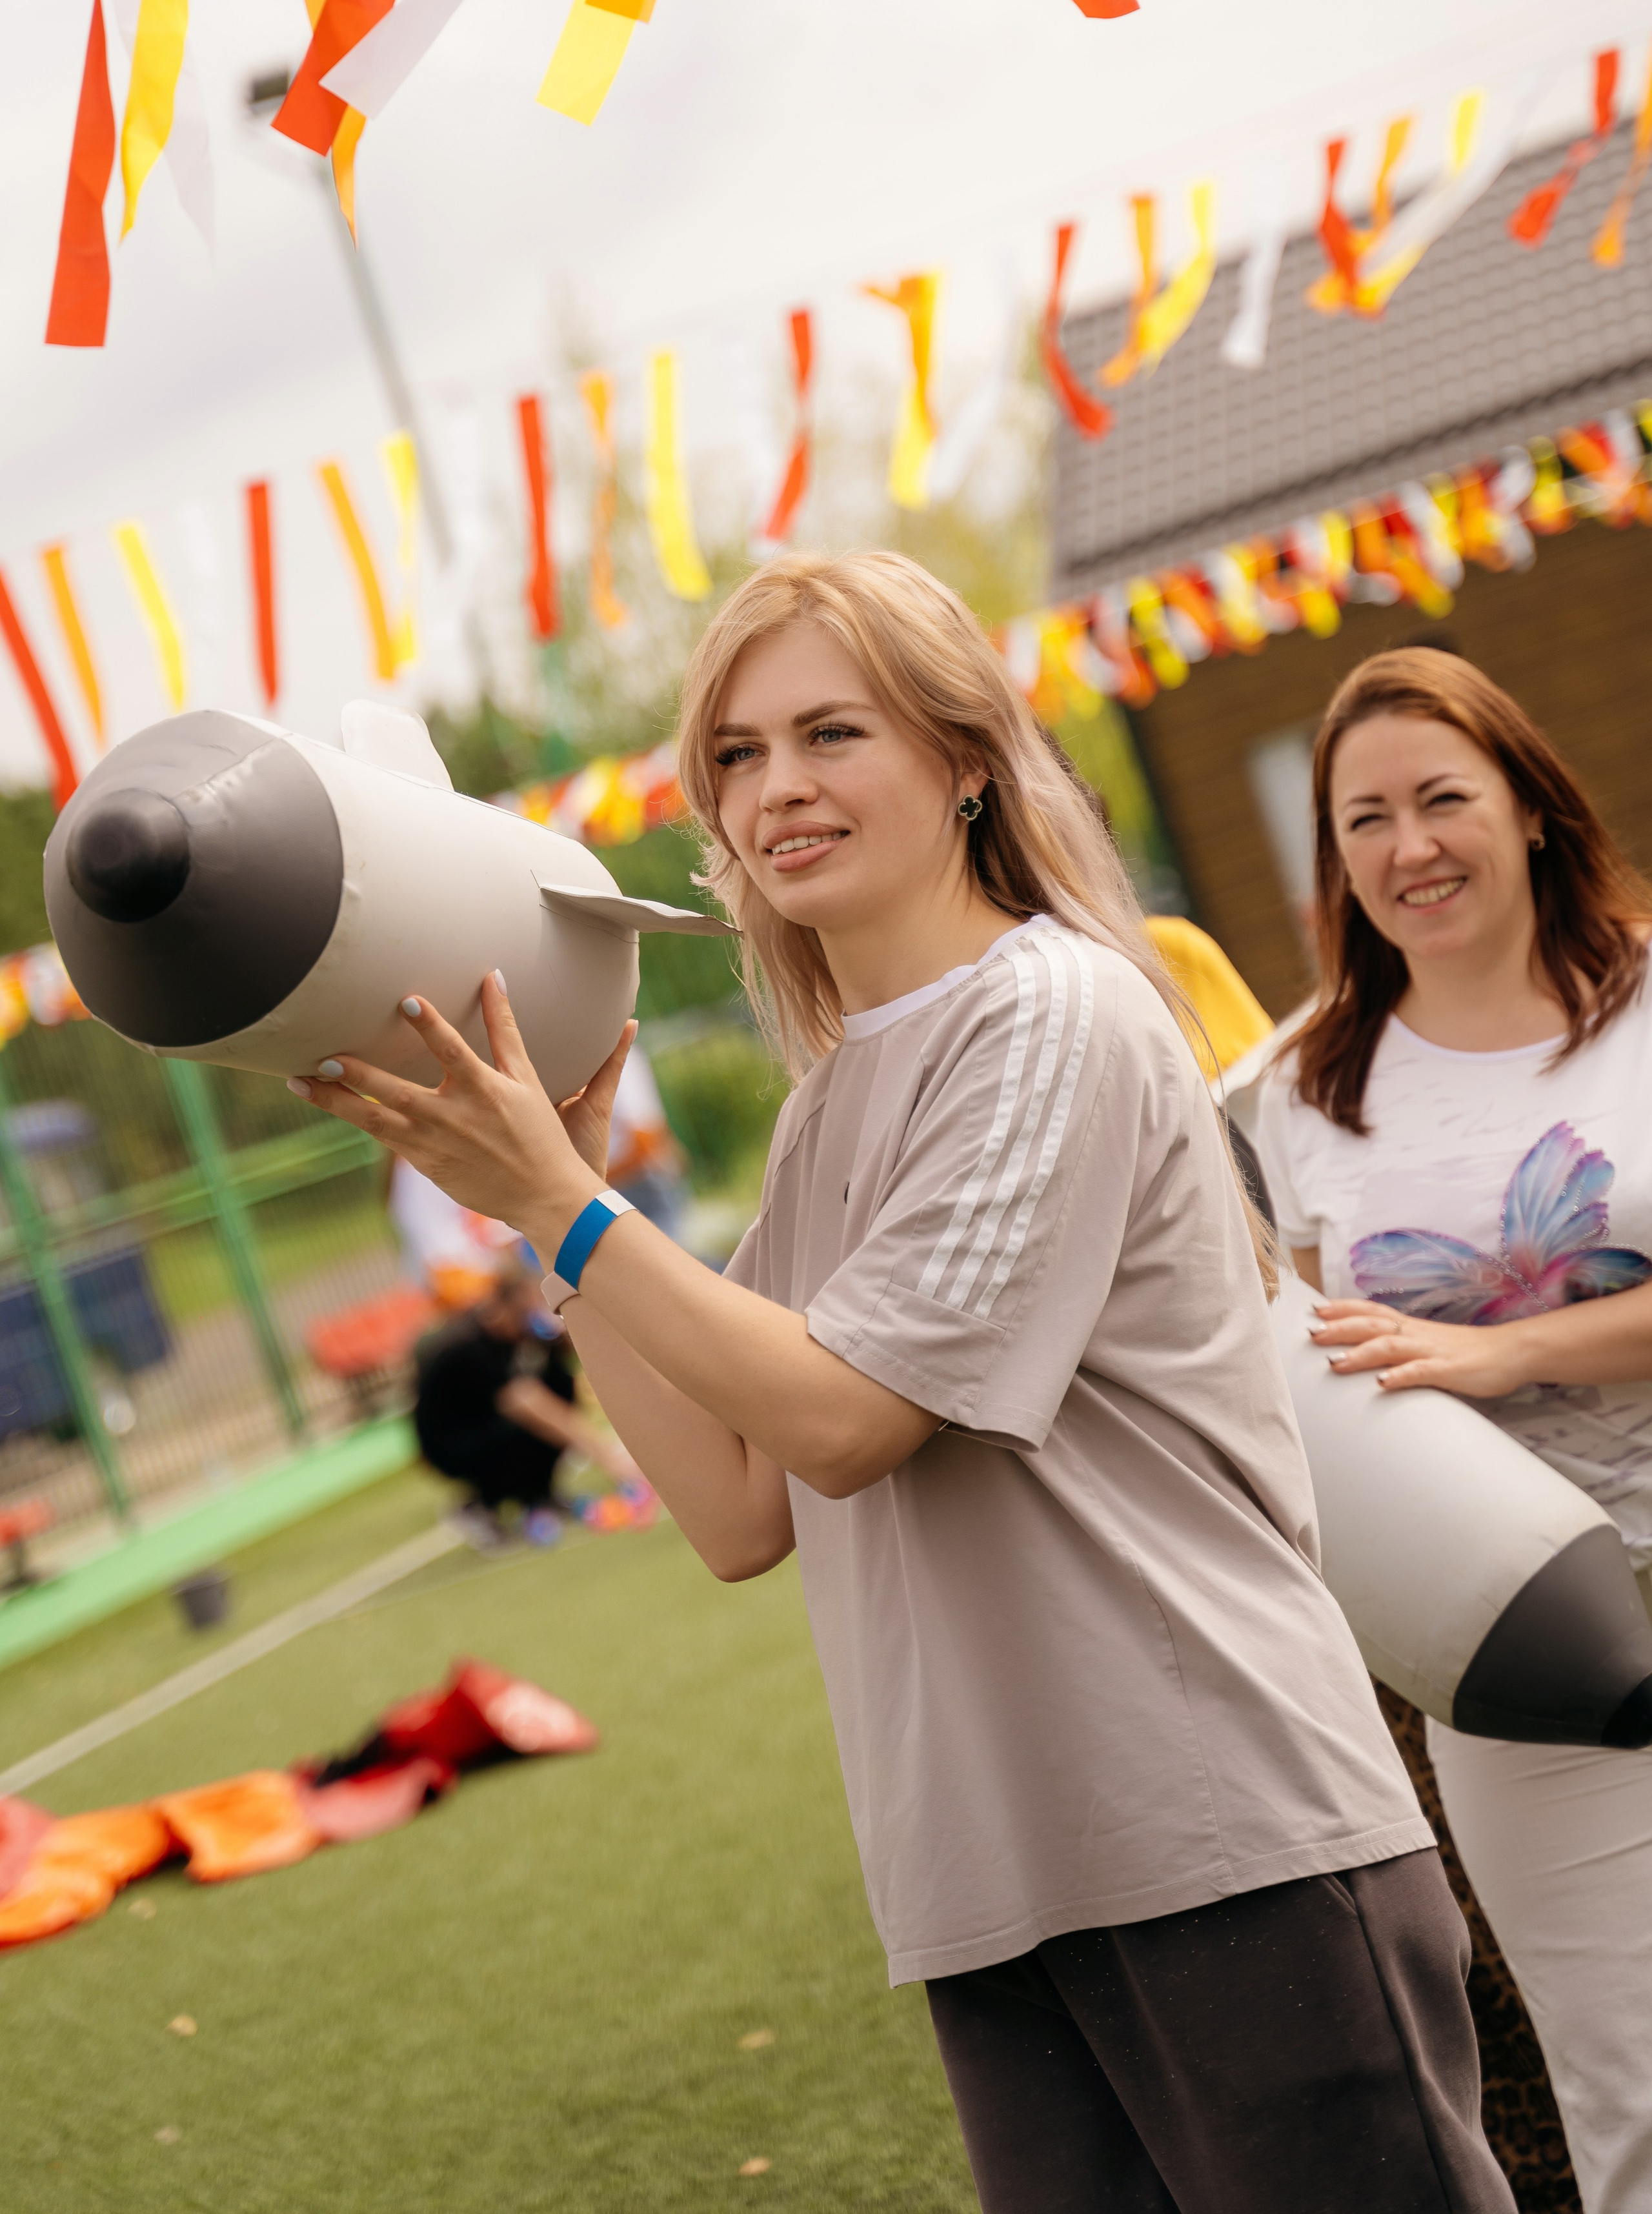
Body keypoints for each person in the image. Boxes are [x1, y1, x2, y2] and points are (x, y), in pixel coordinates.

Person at [287, 553, 1513, 2214]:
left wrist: (561, 1207)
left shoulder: (1052, 1016)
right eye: (733, 754)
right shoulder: (826, 1106)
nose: (775, 788)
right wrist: (572, 1220)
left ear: (963, 764)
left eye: (828, 733)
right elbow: (733, 1509)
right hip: (983, 1883)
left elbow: (848, 1421)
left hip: (1224, 1841)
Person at [1251, 647, 1652, 2214]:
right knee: (1615, 2065)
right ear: (1334, 862)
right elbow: (1294, 1371)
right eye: (1364, 820)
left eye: (1440, 798)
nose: (1407, 846)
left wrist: (1502, 1355)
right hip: (1501, 1634)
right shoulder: (1294, 1090)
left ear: (1528, 808)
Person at [413, 1260, 638, 1549]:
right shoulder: (469, 1346)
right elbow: (529, 1405)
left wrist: (557, 1339)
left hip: (485, 1421)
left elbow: (561, 1375)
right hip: (450, 1445)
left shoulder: (517, 1333)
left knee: (561, 1386)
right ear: (501, 1308)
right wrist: (611, 1460)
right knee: (534, 1424)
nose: (529, 1320)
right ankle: (479, 1506)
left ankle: (541, 1495)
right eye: (523, 1313)